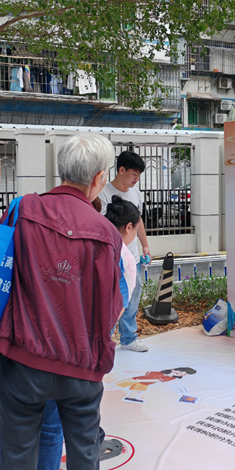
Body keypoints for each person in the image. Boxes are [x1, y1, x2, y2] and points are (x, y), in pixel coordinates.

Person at [0, 133, 124, 470]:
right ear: (99, 178)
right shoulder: (107, 233)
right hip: (81, 367)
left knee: (16, 461)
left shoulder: (22, 210)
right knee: (85, 457)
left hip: (23, 361)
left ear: (60, 169)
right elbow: (112, 306)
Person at [97, 150, 151, 352]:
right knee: (111, 301)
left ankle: (128, 338)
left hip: (133, 258)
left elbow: (139, 221)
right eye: (134, 174)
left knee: (132, 298)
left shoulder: (136, 193)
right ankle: (103, 342)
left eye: (139, 175)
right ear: (121, 170)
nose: (136, 179)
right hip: (112, 258)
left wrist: (145, 245)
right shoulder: (103, 194)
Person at [104, 195, 141, 308]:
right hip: (106, 315)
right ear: (128, 227)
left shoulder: (96, 243)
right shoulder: (125, 257)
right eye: (136, 229)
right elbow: (121, 303)